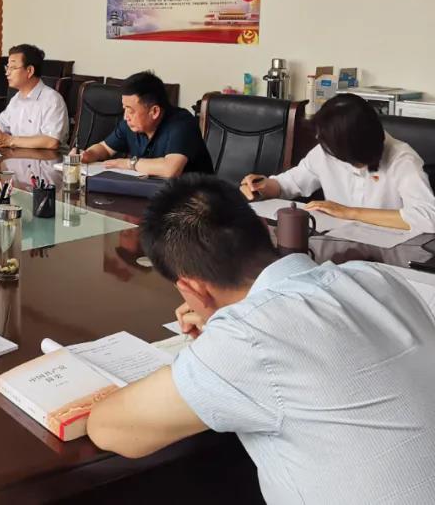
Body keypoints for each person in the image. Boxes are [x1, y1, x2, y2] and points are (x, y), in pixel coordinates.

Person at [86, 175, 435, 504]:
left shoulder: (247, 339)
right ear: (264, 232)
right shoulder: (377, 278)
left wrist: (221, 338)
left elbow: (110, 429)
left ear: (191, 287)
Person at [240, 93, 435, 231]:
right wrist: (262, 187)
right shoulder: (326, 150)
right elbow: (288, 184)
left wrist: (350, 212)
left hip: (390, 253)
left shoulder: (402, 160)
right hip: (339, 243)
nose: (324, 148)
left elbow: (428, 217)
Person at [77, 71, 212, 177]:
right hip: (152, 193)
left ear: (154, 111)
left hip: (195, 198)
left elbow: (170, 169)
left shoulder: (182, 124)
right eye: (124, 109)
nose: (126, 117)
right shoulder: (130, 124)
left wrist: (129, 164)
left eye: (131, 111)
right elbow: (104, 148)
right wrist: (87, 155)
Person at [0, 44, 67, 149]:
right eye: (7, 68)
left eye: (13, 68)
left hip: (45, 158)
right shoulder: (16, 99)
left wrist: (9, 140)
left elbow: (52, 141)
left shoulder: (52, 100)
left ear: (30, 71)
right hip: (17, 156)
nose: (7, 73)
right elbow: (0, 126)